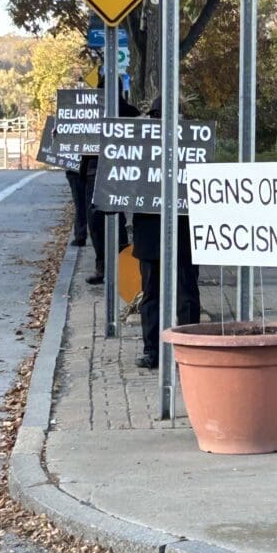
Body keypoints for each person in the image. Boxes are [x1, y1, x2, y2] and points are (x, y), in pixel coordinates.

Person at [131, 96, 201, 369]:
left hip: (180, 232)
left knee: (180, 294)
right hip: (154, 233)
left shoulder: (195, 142)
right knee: (159, 294)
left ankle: (186, 349)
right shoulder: (139, 143)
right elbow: (122, 183)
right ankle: (157, 350)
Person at [82, 77, 139, 284]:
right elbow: (76, 138)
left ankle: (120, 267)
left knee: (118, 221)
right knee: (95, 221)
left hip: (119, 173)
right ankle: (103, 266)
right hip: (94, 172)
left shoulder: (130, 113)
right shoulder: (88, 115)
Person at [65, 166, 87, 246]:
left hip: (75, 169)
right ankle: (80, 235)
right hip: (84, 169)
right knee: (83, 204)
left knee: (80, 204)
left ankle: (80, 235)